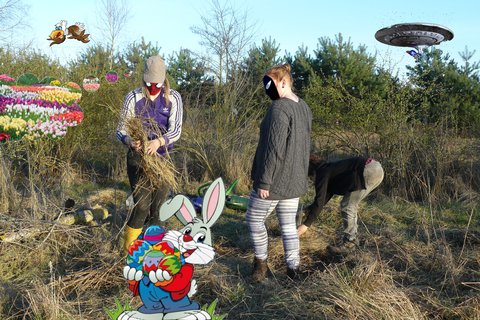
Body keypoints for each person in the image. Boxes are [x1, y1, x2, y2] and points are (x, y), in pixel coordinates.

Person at [246, 63, 312, 281]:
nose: (267, 89)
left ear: (283, 82)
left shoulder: (279, 108)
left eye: (270, 84)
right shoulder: (304, 107)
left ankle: (261, 265)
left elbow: (274, 148)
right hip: (294, 181)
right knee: (288, 227)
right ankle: (293, 269)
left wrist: (264, 181)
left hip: (274, 181)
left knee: (254, 220)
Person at [116, 55, 183, 254]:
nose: (153, 87)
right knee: (142, 205)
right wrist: (129, 141)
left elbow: (176, 130)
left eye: (157, 83)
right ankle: (128, 252)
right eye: (149, 83)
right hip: (138, 158)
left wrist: (159, 142)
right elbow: (120, 129)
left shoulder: (173, 98)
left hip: (162, 159)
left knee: (158, 208)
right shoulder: (133, 97)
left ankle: (155, 252)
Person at [297, 155, 384, 255]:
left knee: (348, 205)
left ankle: (350, 243)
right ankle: (352, 240)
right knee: (350, 204)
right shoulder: (330, 170)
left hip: (367, 169)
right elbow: (321, 201)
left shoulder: (322, 172)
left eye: (310, 177)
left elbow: (319, 201)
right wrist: (306, 211)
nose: (312, 181)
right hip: (376, 169)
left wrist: (305, 225)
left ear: (312, 171)